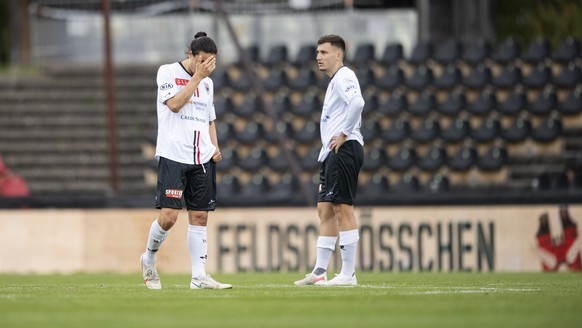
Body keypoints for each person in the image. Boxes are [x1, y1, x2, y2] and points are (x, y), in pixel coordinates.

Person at [140, 32, 232, 290]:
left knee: (200, 216)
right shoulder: (167, 72)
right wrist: (197, 78)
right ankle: (148, 258)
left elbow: (209, 118)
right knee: (169, 217)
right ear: (190, 54)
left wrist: (214, 145)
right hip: (173, 154)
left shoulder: (208, 83)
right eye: (203, 61)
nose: (207, 67)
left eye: (212, 63)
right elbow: (175, 104)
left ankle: (199, 276)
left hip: (201, 157)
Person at [294, 35, 365, 287]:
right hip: (331, 152)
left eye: (324, 52)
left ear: (339, 55)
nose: (318, 57)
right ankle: (320, 271)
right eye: (317, 52)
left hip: (344, 149)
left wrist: (344, 134)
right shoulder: (336, 81)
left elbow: (358, 102)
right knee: (324, 209)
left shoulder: (345, 76)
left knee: (342, 208)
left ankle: (348, 274)